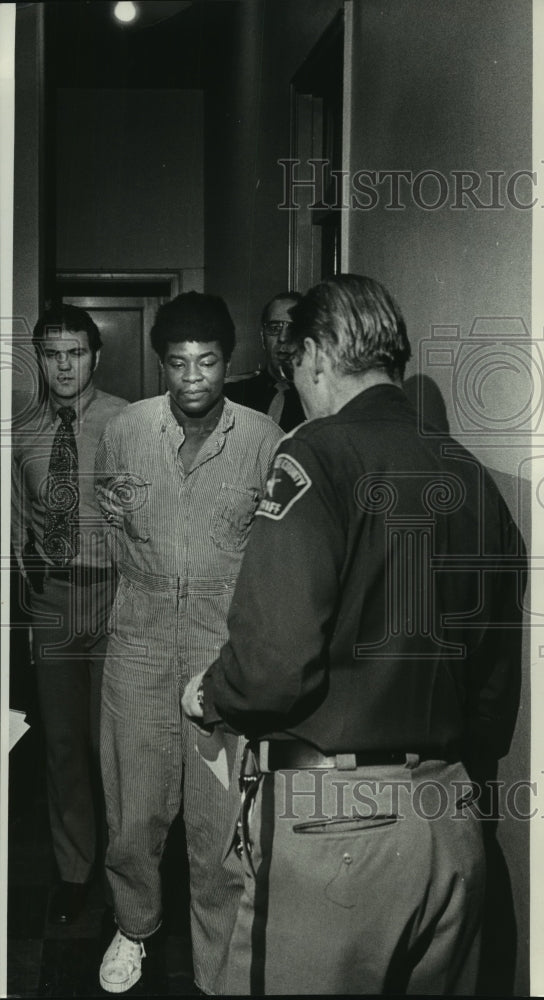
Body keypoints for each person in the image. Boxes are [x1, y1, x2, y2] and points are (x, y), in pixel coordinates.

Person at [182, 275, 527, 995]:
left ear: (312, 356)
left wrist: (209, 695)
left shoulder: (314, 458)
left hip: (337, 829)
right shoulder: (473, 478)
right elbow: (494, 690)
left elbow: (271, 669)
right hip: (451, 822)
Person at [94, 291, 283, 995]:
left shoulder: (265, 437)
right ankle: (134, 926)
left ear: (228, 362)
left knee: (218, 815)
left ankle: (219, 960)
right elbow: (115, 528)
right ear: (160, 365)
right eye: (177, 364)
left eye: (207, 362)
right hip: (138, 639)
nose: (193, 377)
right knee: (134, 807)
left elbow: (272, 554)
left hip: (221, 644)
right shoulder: (125, 430)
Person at [11, 304, 128, 924]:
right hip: (52, 598)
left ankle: (126, 870)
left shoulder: (129, 423)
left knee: (110, 743)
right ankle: (73, 870)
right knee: (60, 744)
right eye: (52, 353)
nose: (63, 365)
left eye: (75, 353)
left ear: (95, 357)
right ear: (40, 359)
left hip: (113, 594)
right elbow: (14, 528)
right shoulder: (22, 432)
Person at [225, 292, 305, 431]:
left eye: (293, 329)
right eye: (274, 329)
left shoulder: (321, 400)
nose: (283, 338)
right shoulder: (232, 396)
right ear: (263, 338)